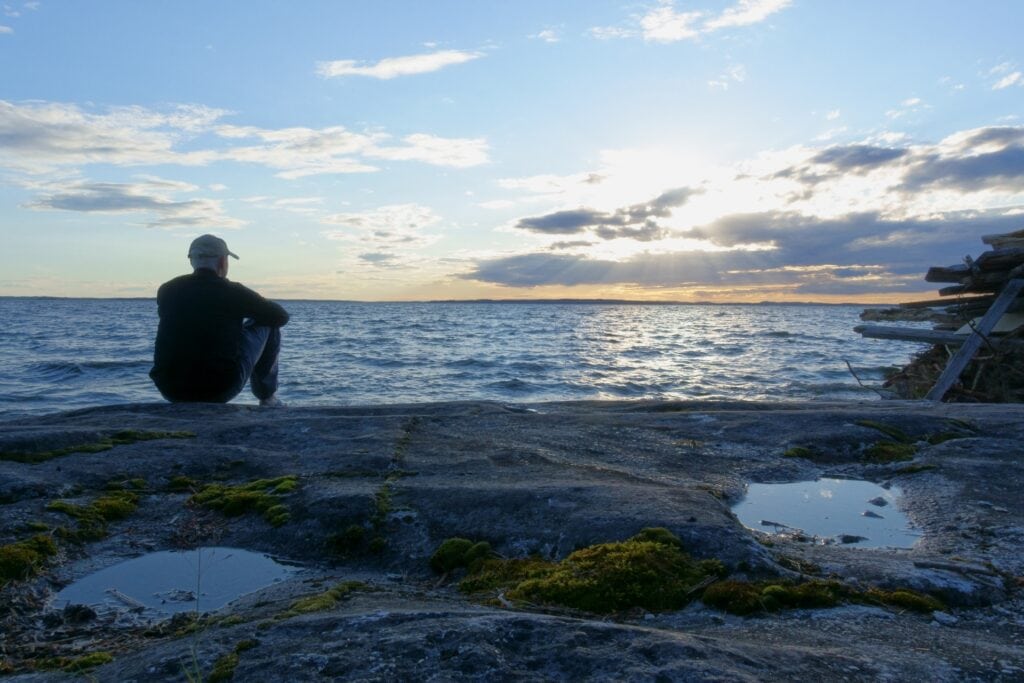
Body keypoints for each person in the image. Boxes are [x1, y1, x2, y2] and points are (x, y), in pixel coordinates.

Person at [150, 234, 289, 406]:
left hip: (170, 389)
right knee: (269, 323)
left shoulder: (167, 290)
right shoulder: (232, 291)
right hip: (219, 389)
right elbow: (281, 317)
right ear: (223, 262)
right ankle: (267, 398)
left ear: (192, 261)